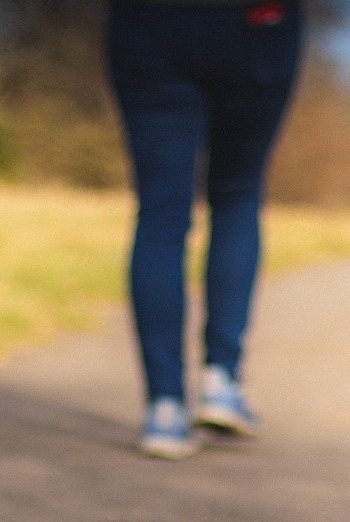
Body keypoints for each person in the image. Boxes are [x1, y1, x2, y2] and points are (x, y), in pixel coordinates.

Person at [106, 0, 304, 458]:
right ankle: (220, 381)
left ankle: (165, 408)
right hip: (254, 22)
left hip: (150, 23)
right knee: (237, 195)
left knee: (161, 209)